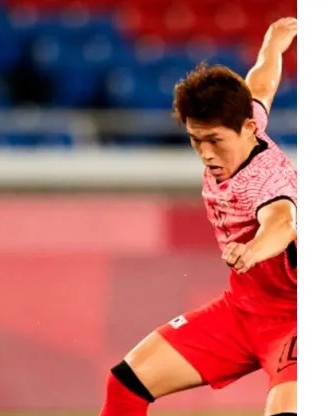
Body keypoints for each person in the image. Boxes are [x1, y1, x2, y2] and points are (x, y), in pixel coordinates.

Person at [99, 17, 298, 416]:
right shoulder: (246, 121)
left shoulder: (267, 181)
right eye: (196, 140)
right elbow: (261, 82)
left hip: (297, 319)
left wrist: (254, 249)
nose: (206, 154)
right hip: (243, 312)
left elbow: (282, 221)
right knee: (125, 384)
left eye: (214, 141)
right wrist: (274, 43)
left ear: (244, 130)